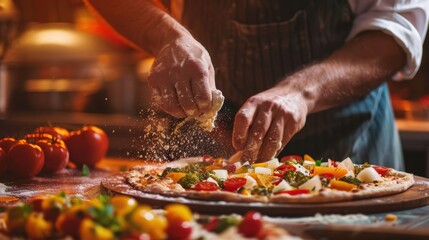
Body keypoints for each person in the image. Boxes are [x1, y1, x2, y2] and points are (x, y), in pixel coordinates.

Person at [85, 0, 429, 169]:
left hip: (348, 146)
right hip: (210, 147)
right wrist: (164, 35)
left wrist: (300, 93)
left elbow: (396, 25)